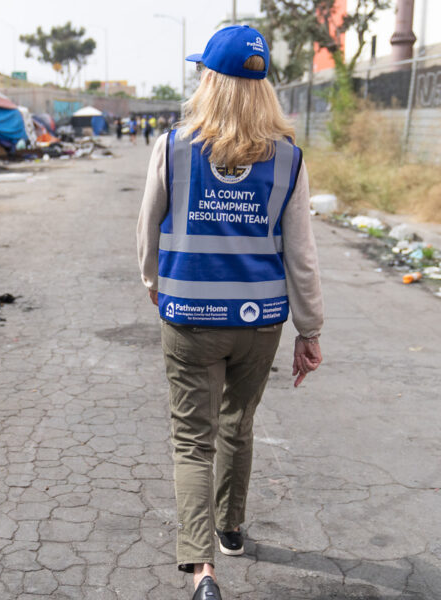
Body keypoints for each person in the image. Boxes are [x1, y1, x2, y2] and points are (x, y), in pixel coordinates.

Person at [136, 25, 323, 600]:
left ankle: (202, 571)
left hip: (189, 312)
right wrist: (309, 329)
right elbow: (302, 253)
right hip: (259, 319)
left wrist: (153, 282)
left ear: (209, 81)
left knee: (194, 439)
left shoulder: (172, 146)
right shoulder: (288, 159)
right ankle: (231, 528)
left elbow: (147, 228)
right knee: (238, 424)